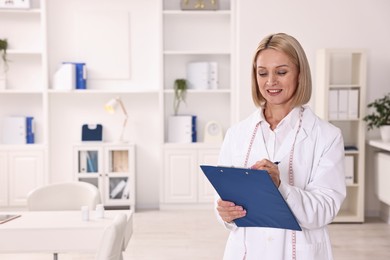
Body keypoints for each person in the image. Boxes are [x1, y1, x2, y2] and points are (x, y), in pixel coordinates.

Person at [215, 33, 346, 260]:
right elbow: (221, 197)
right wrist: (224, 213)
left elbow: (325, 209)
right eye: (262, 73)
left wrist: (280, 187)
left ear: (300, 75)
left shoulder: (327, 136)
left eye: (281, 72)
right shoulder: (236, 134)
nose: (270, 81)